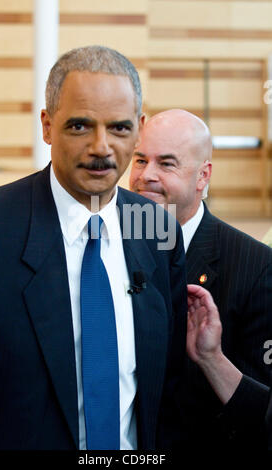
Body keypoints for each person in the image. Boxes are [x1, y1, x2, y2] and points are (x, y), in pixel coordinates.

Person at [0, 46, 188, 451]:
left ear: (138, 129)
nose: (101, 147)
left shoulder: (158, 229)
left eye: (119, 128)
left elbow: (168, 386)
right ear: (47, 126)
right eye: (79, 127)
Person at [129, 109, 272, 450]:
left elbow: (264, 417)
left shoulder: (256, 266)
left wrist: (211, 358)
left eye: (166, 164)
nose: (146, 175)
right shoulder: (106, 248)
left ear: (202, 176)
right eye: (139, 160)